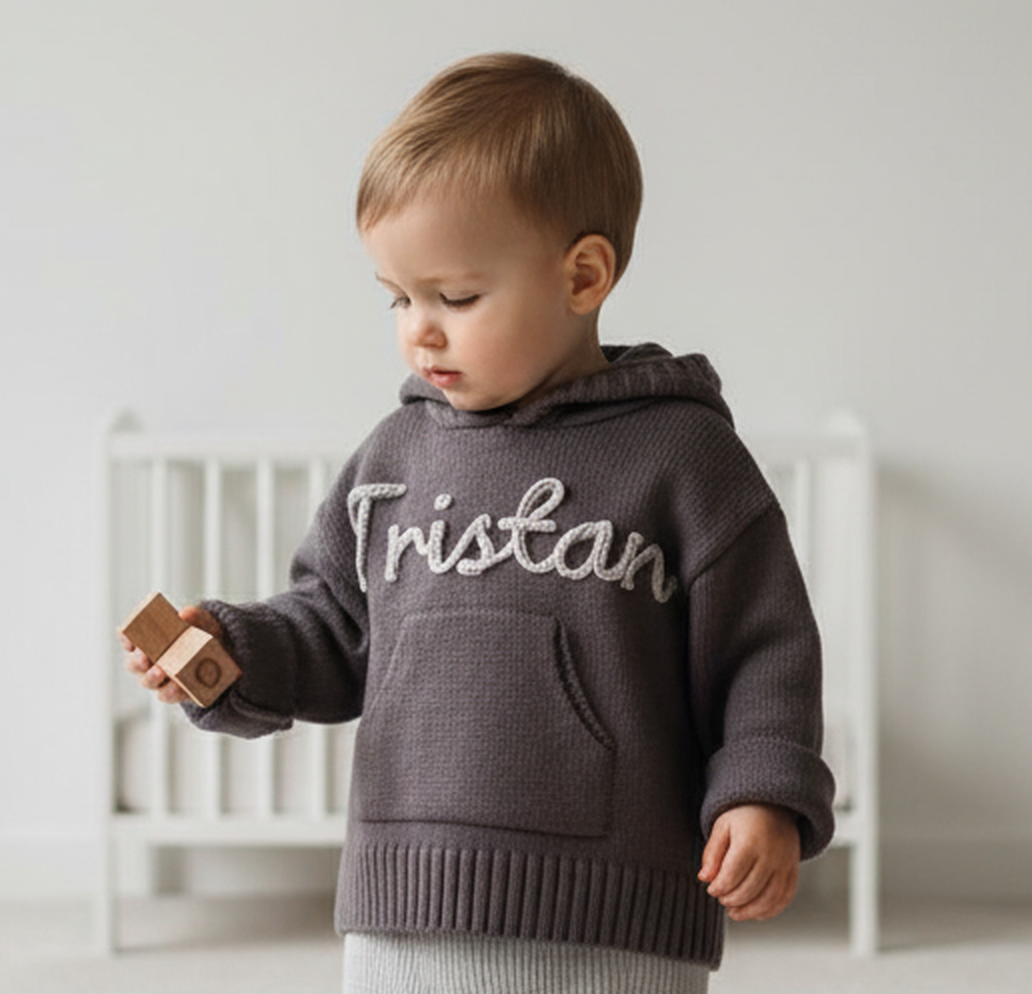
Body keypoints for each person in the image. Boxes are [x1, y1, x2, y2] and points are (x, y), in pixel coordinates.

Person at [123, 52, 835, 993]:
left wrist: (761, 792)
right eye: (398, 297)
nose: (420, 329)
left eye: (455, 297)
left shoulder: (682, 458)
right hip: (403, 902)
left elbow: (765, 651)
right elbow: (334, 629)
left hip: (616, 914)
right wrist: (233, 650)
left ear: (583, 276)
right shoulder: (395, 458)